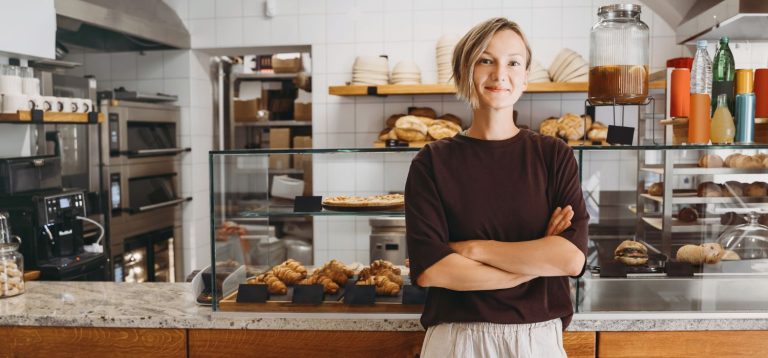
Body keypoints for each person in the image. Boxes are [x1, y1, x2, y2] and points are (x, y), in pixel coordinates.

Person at [405, 17, 589, 357]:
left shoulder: (553, 156)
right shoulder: (431, 162)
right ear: (464, 70)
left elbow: (569, 259)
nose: (500, 73)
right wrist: (531, 265)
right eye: (485, 60)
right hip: (457, 341)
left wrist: (473, 250)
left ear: (525, 76)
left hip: (538, 342)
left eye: (513, 62)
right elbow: (433, 270)